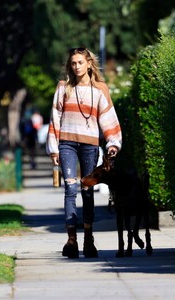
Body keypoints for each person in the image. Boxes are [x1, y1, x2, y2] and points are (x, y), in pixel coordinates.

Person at [46, 47, 122, 259]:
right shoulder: (63, 88)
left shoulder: (99, 89)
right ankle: (72, 240)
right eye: (73, 63)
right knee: (70, 188)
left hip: (90, 145)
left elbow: (108, 117)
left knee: (87, 191)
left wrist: (112, 143)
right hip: (67, 144)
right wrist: (54, 148)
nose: (77, 67)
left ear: (89, 63)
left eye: (80, 62)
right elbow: (55, 118)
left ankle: (89, 239)